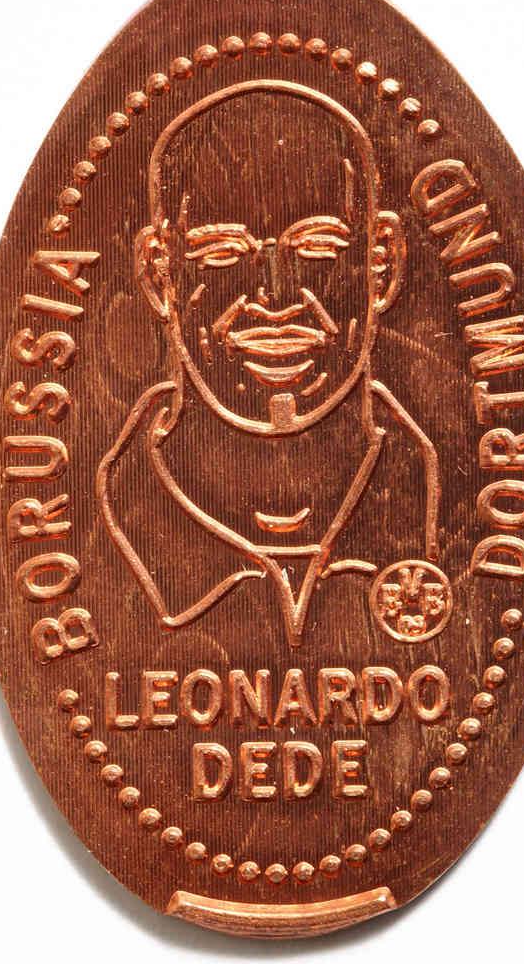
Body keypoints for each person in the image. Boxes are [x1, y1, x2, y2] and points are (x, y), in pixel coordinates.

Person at [97, 79, 440, 648]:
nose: (274, 298)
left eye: (318, 248)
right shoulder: (125, 507)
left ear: (382, 264)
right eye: (222, 253)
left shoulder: (420, 492)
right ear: (160, 275)